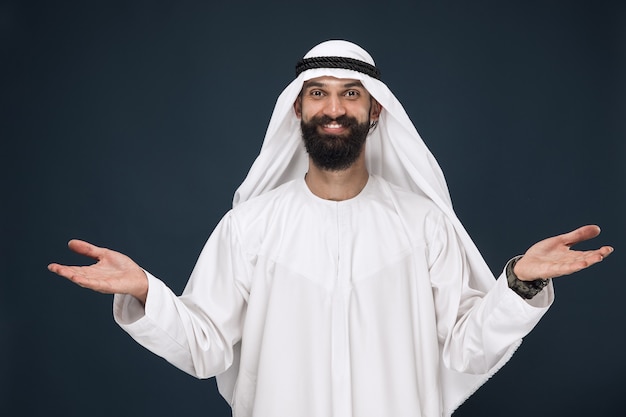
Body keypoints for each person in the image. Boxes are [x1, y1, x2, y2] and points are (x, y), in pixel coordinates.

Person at [48, 40, 613, 417]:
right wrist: (146, 292)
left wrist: (517, 284)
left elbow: (465, 350)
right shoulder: (250, 227)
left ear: (376, 112)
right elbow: (206, 348)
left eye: (351, 93)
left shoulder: (424, 226)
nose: (334, 107)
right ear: (297, 110)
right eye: (318, 93)